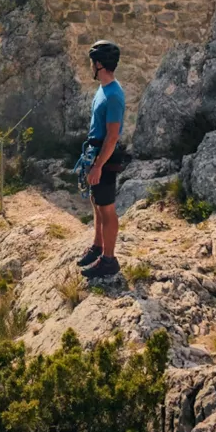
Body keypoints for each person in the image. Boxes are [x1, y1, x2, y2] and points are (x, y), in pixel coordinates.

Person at [77, 40, 126, 278]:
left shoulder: (114, 95)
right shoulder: (103, 89)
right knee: (97, 204)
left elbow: (113, 136)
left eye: (91, 62)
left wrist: (98, 166)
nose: (89, 66)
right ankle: (98, 247)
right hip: (96, 152)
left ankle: (109, 260)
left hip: (105, 157)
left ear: (98, 64)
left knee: (107, 210)